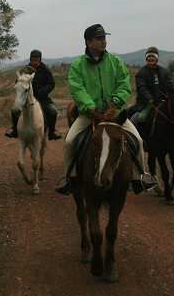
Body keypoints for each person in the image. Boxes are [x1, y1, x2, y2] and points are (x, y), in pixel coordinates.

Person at [55, 24, 157, 195]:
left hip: (114, 114)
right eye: (99, 38)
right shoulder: (77, 65)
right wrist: (92, 109)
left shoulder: (115, 62)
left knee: (138, 141)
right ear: (88, 42)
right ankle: (69, 178)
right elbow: (77, 89)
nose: (104, 41)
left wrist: (115, 103)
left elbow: (124, 84)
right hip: (90, 115)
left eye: (104, 38)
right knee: (69, 142)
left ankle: (139, 177)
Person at [131, 47, 174, 146]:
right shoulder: (141, 73)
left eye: (153, 57)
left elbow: (170, 85)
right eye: (148, 58)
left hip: (163, 101)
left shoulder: (164, 72)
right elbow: (142, 88)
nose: (150, 59)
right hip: (147, 103)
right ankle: (140, 140)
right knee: (139, 118)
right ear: (146, 59)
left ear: (156, 59)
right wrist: (150, 98)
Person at [5, 49, 62, 141]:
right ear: (30, 59)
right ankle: (14, 130)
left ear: (40, 59)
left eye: (37, 59)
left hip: (42, 98)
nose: (35, 62)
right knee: (14, 110)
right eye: (33, 60)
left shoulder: (45, 70)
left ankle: (52, 132)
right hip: (27, 98)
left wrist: (42, 92)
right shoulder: (25, 70)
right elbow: (18, 81)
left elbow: (51, 84)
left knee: (53, 111)